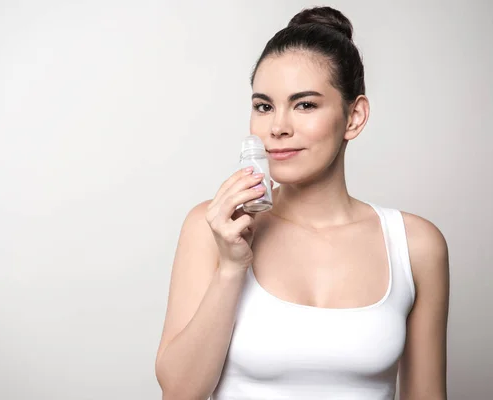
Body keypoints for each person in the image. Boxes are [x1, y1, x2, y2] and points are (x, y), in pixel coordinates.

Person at [155, 6, 449, 400]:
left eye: (304, 104)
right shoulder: (213, 226)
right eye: (264, 106)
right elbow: (179, 393)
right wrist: (230, 267)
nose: (277, 127)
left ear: (354, 117)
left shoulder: (416, 245)